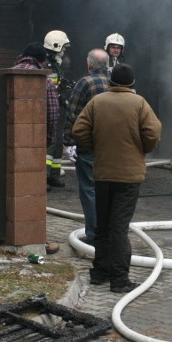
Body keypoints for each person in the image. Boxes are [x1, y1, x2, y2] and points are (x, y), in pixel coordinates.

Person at [72, 63, 162, 293]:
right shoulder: (139, 103)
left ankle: (99, 272)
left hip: (102, 173)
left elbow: (79, 131)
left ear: (111, 82)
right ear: (132, 84)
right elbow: (152, 133)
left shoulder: (97, 102)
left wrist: (97, 147)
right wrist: (141, 148)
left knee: (102, 225)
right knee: (119, 228)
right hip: (129, 177)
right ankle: (119, 280)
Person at [12, 41, 61, 254]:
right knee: (33, 193)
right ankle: (36, 238)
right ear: (41, 61)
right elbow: (52, 114)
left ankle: (12, 234)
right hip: (33, 144)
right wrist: (47, 139)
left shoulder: (10, 73)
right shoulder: (45, 81)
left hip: (9, 144)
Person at [63, 48, 110, 244]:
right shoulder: (116, 84)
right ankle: (110, 233)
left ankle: (94, 235)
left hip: (89, 146)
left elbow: (74, 114)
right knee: (109, 189)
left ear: (89, 65)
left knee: (89, 189)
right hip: (112, 146)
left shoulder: (84, 83)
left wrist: (68, 141)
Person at [43, 30, 71, 188]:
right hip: (49, 107)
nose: (65, 50)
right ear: (56, 45)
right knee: (51, 143)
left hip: (56, 107)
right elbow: (48, 87)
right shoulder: (46, 64)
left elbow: (57, 83)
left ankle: (54, 175)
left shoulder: (55, 64)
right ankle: (43, 176)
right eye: (63, 47)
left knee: (58, 142)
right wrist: (61, 93)